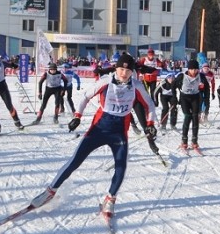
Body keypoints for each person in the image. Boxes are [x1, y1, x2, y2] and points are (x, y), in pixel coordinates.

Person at [28, 53, 157, 219]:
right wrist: (77, 116)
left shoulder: (137, 86)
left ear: (132, 71)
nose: (124, 73)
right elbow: (85, 96)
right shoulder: (105, 82)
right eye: (121, 69)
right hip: (99, 129)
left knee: (121, 167)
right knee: (75, 161)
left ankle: (110, 199)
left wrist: (151, 124)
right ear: (116, 68)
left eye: (128, 70)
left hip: (119, 133)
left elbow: (150, 106)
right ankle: (50, 192)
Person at [173, 60, 209, 153]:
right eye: (192, 69)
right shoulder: (182, 76)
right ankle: (184, 141)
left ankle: (194, 141)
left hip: (195, 97)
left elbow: (206, 88)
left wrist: (206, 99)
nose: (194, 71)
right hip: (184, 98)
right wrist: (174, 97)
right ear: (188, 69)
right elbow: (173, 85)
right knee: (188, 116)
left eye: (195, 69)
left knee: (195, 117)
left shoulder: (201, 76)